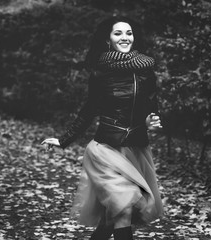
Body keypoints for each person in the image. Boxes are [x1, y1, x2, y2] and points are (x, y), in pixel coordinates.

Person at [41, 16, 164, 240]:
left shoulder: (146, 69)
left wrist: (150, 120)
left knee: (113, 216)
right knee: (124, 209)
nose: (125, 37)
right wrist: (63, 140)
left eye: (129, 33)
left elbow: (151, 106)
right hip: (106, 150)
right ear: (108, 39)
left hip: (135, 151)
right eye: (118, 33)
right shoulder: (100, 72)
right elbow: (88, 110)